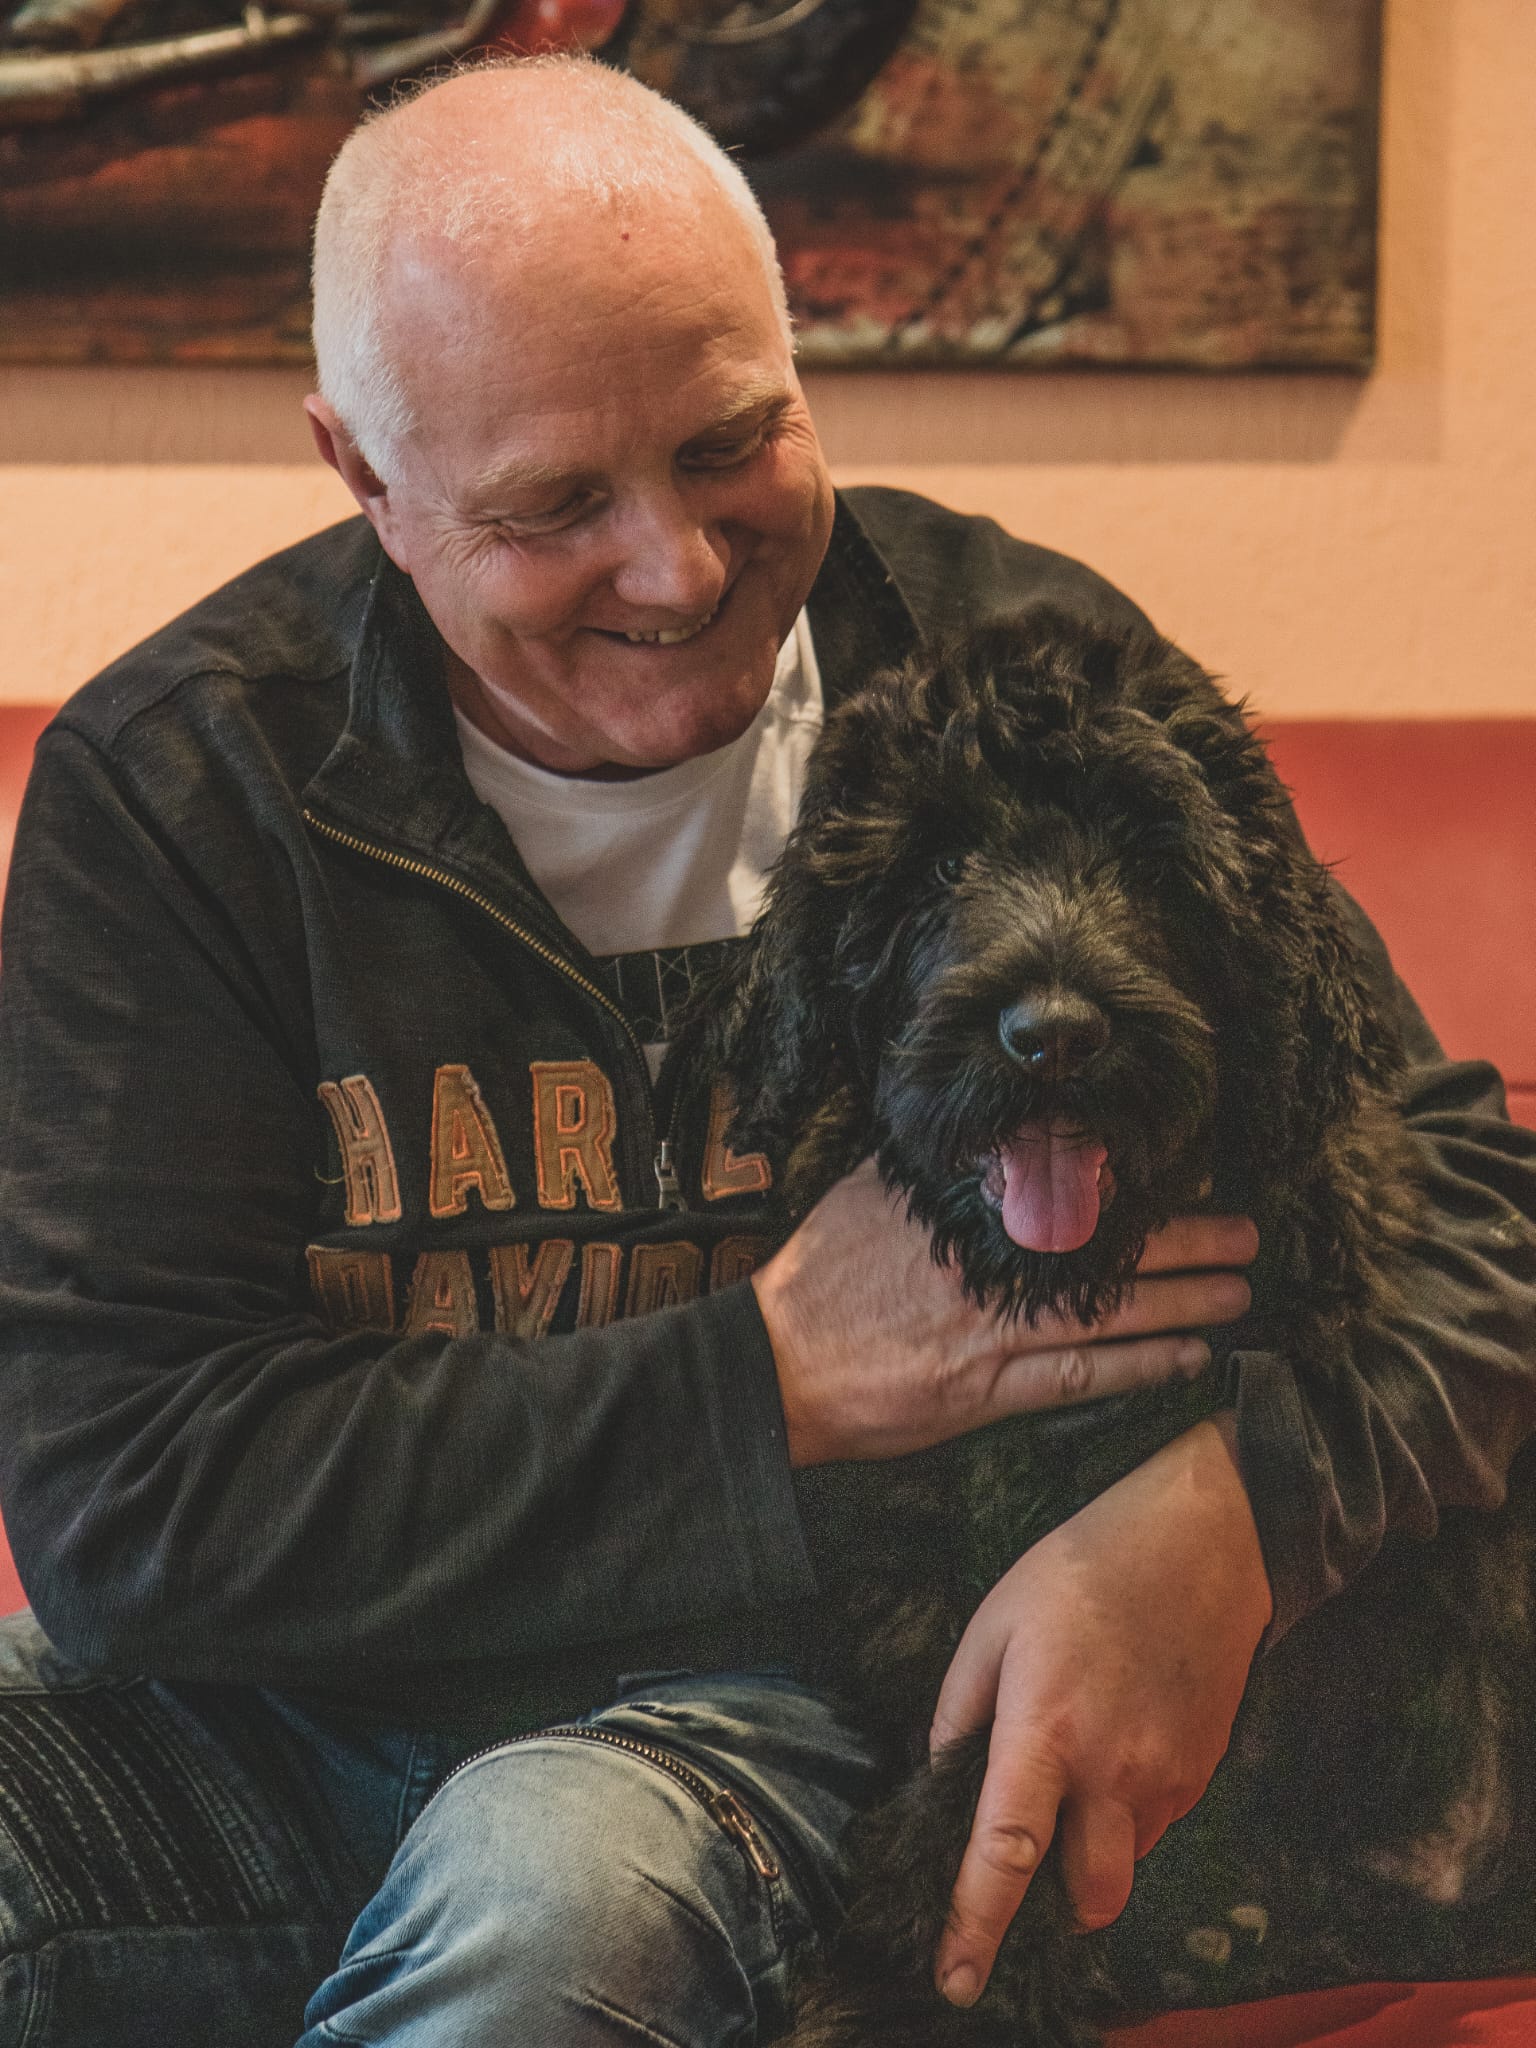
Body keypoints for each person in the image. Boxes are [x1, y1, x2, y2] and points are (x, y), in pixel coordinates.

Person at [0, 52, 1531, 2048]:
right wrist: (776, 1377)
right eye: (558, 506)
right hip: (286, 1715)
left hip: (772, 1713)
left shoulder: (1009, 666)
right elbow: (126, 1512)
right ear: (365, 475)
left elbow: (1470, 1205)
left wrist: (1228, 1529)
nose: (680, 567)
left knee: (541, 1910)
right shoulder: (184, 790)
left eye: (732, 446)